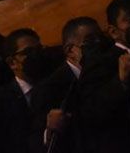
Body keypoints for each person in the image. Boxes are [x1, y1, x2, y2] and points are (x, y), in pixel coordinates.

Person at [30, 17, 103, 153]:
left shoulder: (106, 72)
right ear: (70, 50)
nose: (98, 44)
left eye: (100, 38)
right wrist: (50, 130)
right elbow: (36, 138)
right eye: (90, 41)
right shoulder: (49, 88)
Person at [0, 28, 48, 153]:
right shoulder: (0, 100)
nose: (36, 55)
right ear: (12, 63)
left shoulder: (53, 87)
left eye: (39, 50)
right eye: (28, 52)